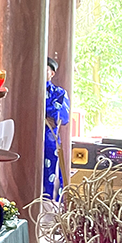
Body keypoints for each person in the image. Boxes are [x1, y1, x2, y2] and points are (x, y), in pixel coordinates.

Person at [45, 57, 70, 200]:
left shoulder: (59, 93)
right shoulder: (29, 91)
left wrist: (45, 111)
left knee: (51, 172)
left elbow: (62, 116)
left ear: (52, 73)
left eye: (46, 69)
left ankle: (50, 206)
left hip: (49, 139)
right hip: (29, 139)